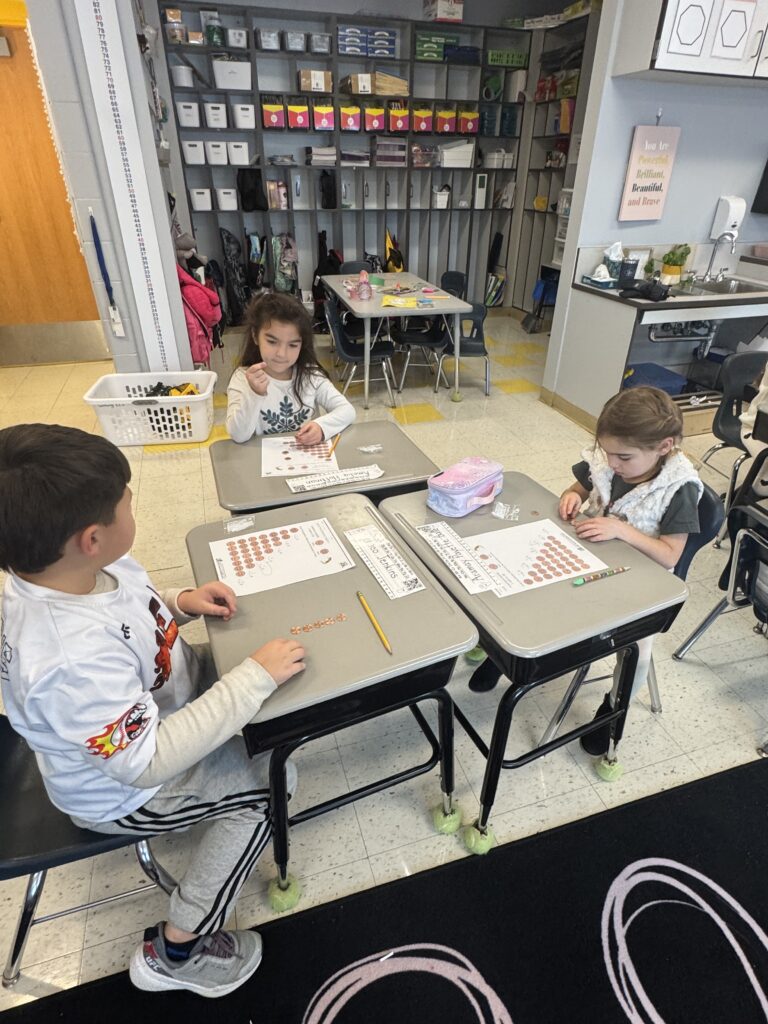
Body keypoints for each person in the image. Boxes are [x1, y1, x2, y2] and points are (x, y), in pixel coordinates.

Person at [0, 424, 306, 998]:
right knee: (272, 785)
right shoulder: (68, 659)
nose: (133, 503)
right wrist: (250, 681)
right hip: (123, 790)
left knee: (270, 703)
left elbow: (127, 607)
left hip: (156, 712)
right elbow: (146, 763)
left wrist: (180, 604)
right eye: (128, 499)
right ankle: (180, 948)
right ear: (92, 537)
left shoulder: (67, 570)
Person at [468, 386, 702, 756]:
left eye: (623, 457)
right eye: (607, 453)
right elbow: (581, 484)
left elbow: (669, 554)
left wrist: (622, 529)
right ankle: (509, 657)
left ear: (664, 447)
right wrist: (572, 495)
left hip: (642, 585)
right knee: (529, 588)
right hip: (587, 555)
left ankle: (612, 709)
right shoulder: (608, 459)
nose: (611, 464)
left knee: (638, 652)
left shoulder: (678, 489)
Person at [226, 291, 355, 444]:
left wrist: (321, 427)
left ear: (302, 344)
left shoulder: (311, 375)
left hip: (307, 460)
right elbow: (239, 436)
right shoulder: (243, 378)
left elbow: (347, 411)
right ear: (255, 336)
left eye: (293, 345)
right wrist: (254, 393)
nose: (281, 354)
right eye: (272, 342)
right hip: (263, 461)